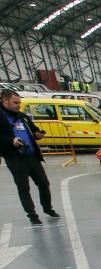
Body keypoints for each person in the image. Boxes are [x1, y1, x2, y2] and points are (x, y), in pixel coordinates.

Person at [0, 89, 58, 225]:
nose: (18, 105)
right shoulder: (1, 117)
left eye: (19, 102)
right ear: (5, 100)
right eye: (15, 102)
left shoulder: (22, 116)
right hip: (15, 158)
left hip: (32, 156)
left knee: (44, 184)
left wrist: (39, 134)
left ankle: (48, 208)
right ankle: (32, 215)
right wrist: (11, 141)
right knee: (23, 187)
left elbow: (34, 131)